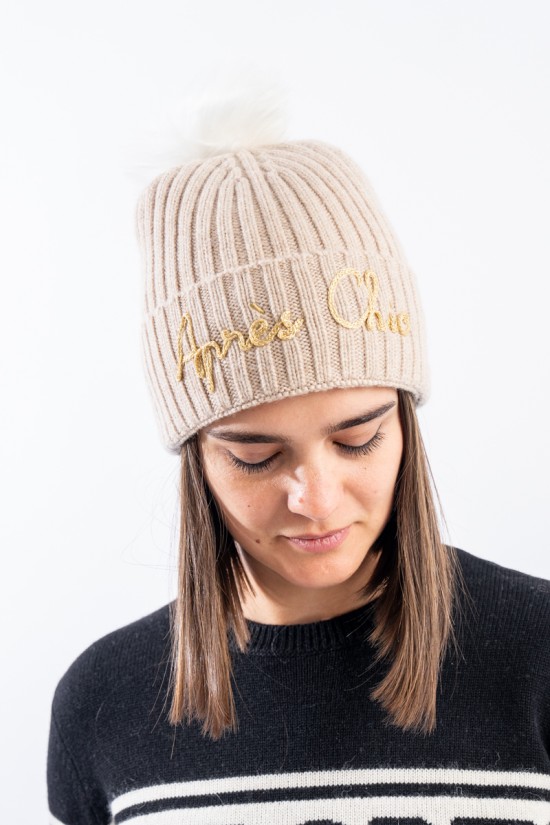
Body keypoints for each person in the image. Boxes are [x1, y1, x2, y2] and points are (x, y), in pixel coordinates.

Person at [47, 102, 550, 824]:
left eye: (358, 439)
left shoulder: (537, 653)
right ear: (197, 458)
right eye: (255, 456)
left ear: (404, 423)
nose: (317, 498)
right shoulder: (103, 704)